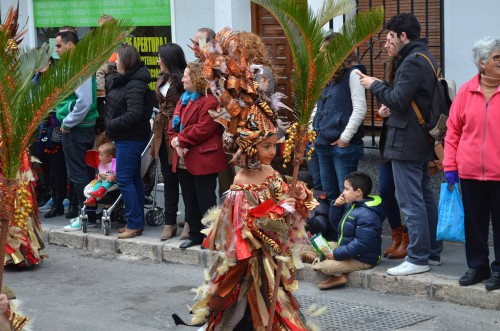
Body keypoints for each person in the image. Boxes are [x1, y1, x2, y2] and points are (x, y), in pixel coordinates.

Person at [172, 27, 318, 330]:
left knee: (275, 304)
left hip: (273, 256)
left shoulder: (269, 170)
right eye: (266, 146)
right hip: (249, 264)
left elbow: (282, 192)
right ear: (249, 148)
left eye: (272, 144)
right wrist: (281, 211)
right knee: (247, 307)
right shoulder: (240, 183)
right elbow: (245, 228)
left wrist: (299, 196)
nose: (272, 151)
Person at [358, 13, 443, 275]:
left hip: (406, 140)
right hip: (418, 138)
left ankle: (418, 258)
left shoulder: (411, 63)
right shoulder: (426, 58)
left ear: (403, 36)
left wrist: (375, 85)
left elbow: (398, 99)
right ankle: (432, 253)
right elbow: (406, 100)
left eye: (390, 37)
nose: (387, 43)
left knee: (411, 200)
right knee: (424, 196)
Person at [443, 36, 500, 291]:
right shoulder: (466, 91)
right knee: (474, 223)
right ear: (481, 62)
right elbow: (452, 132)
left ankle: (499, 270)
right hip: (470, 172)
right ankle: (478, 266)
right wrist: (450, 167)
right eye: (497, 58)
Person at [312, 32, 367, 238]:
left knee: (347, 196)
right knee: (331, 194)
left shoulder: (353, 74)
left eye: (324, 53)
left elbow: (360, 109)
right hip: (323, 143)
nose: (321, 57)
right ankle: (335, 237)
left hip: (343, 147)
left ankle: (348, 237)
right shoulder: (328, 77)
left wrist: (345, 138)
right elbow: (318, 108)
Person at [168, 61, 228, 249]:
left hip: (203, 158)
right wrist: (175, 142)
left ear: (196, 78)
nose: (183, 78)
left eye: (186, 75)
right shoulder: (184, 99)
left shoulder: (210, 100)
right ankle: (194, 234)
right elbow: (173, 126)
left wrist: (180, 140)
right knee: (189, 198)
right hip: (183, 157)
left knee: (206, 200)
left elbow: (204, 128)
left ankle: (210, 236)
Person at [302, 172, 383, 290]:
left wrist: (336, 254)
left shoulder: (367, 215)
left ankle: (337, 274)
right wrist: (336, 207)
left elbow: (361, 244)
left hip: (362, 258)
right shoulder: (355, 205)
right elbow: (337, 226)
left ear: (358, 192)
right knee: (317, 246)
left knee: (325, 267)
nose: (343, 193)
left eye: (346, 189)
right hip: (347, 248)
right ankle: (318, 256)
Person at [106, 44, 153, 239]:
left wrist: (112, 124)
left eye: (118, 58)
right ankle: (135, 222)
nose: (115, 61)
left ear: (126, 61)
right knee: (133, 179)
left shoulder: (135, 83)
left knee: (125, 179)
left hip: (131, 138)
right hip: (126, 136)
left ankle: (134, 224)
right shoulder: (127, 80)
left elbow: (134, 113)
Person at [55, 30, 98, 226]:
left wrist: (67, 123)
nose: (56, 50)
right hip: (80, 126)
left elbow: (84, 101)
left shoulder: (78, 66)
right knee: (84, 172)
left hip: (77, 128)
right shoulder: (76, 65)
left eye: (59, 45)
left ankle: (86, 215)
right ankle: (89, 213)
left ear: (70, 45)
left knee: (79, 173)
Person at [150, 43, 187, 241]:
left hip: (178, 130)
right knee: (168, 177)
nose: (157, 61)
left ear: (169, 59)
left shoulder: (183, 80)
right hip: (161, 132)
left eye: (160, 57)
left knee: (185, 178)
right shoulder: (162, 78)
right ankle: (169, 221)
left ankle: (189, 220)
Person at [376, 56, 407, 260]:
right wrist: (381, 113)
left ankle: (408, 238)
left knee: (409, 195)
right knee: (385, 190)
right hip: (388, 145)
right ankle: (397, 234)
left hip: (406, 144)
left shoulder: (411, 82)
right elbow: (384, 112)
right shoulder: (388, 86)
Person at [82, 142, 117, 207]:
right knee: (97, 184)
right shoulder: (102, 163)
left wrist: (113, 177)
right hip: (102, 180)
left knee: (107, 182)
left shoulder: (114, 162)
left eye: (101, 155)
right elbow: (100, 173)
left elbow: (118, 173)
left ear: (110, 157)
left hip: (111, 181)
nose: (98, 157)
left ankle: (101, 191)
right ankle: (92, 199)